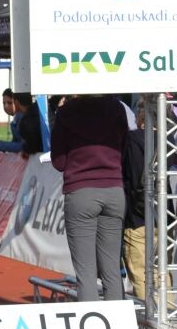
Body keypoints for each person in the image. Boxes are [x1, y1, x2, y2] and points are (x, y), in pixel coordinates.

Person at [50, 95, 128, 302]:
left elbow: (59, 161)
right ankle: (117, 328)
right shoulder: (116, 106)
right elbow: (124, 147)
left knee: (86, 275)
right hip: (113, 189)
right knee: (111, 270)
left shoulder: (67, 112)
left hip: (81, 191)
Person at [122, 106, 148, 299]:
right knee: (161, 272)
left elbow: (131, 175)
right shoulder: (171, 139)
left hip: (137, 216)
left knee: (139, 273)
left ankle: (150, 325)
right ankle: (170, 319)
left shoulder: (132, 140)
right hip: (165, 216)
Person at [0, 88, 23, 154]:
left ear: (17, 102)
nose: (6, 106)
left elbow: (23, 146)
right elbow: (15, 143)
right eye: (4, 103)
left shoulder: (22, 118)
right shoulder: (16, 119)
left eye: (9, 103)